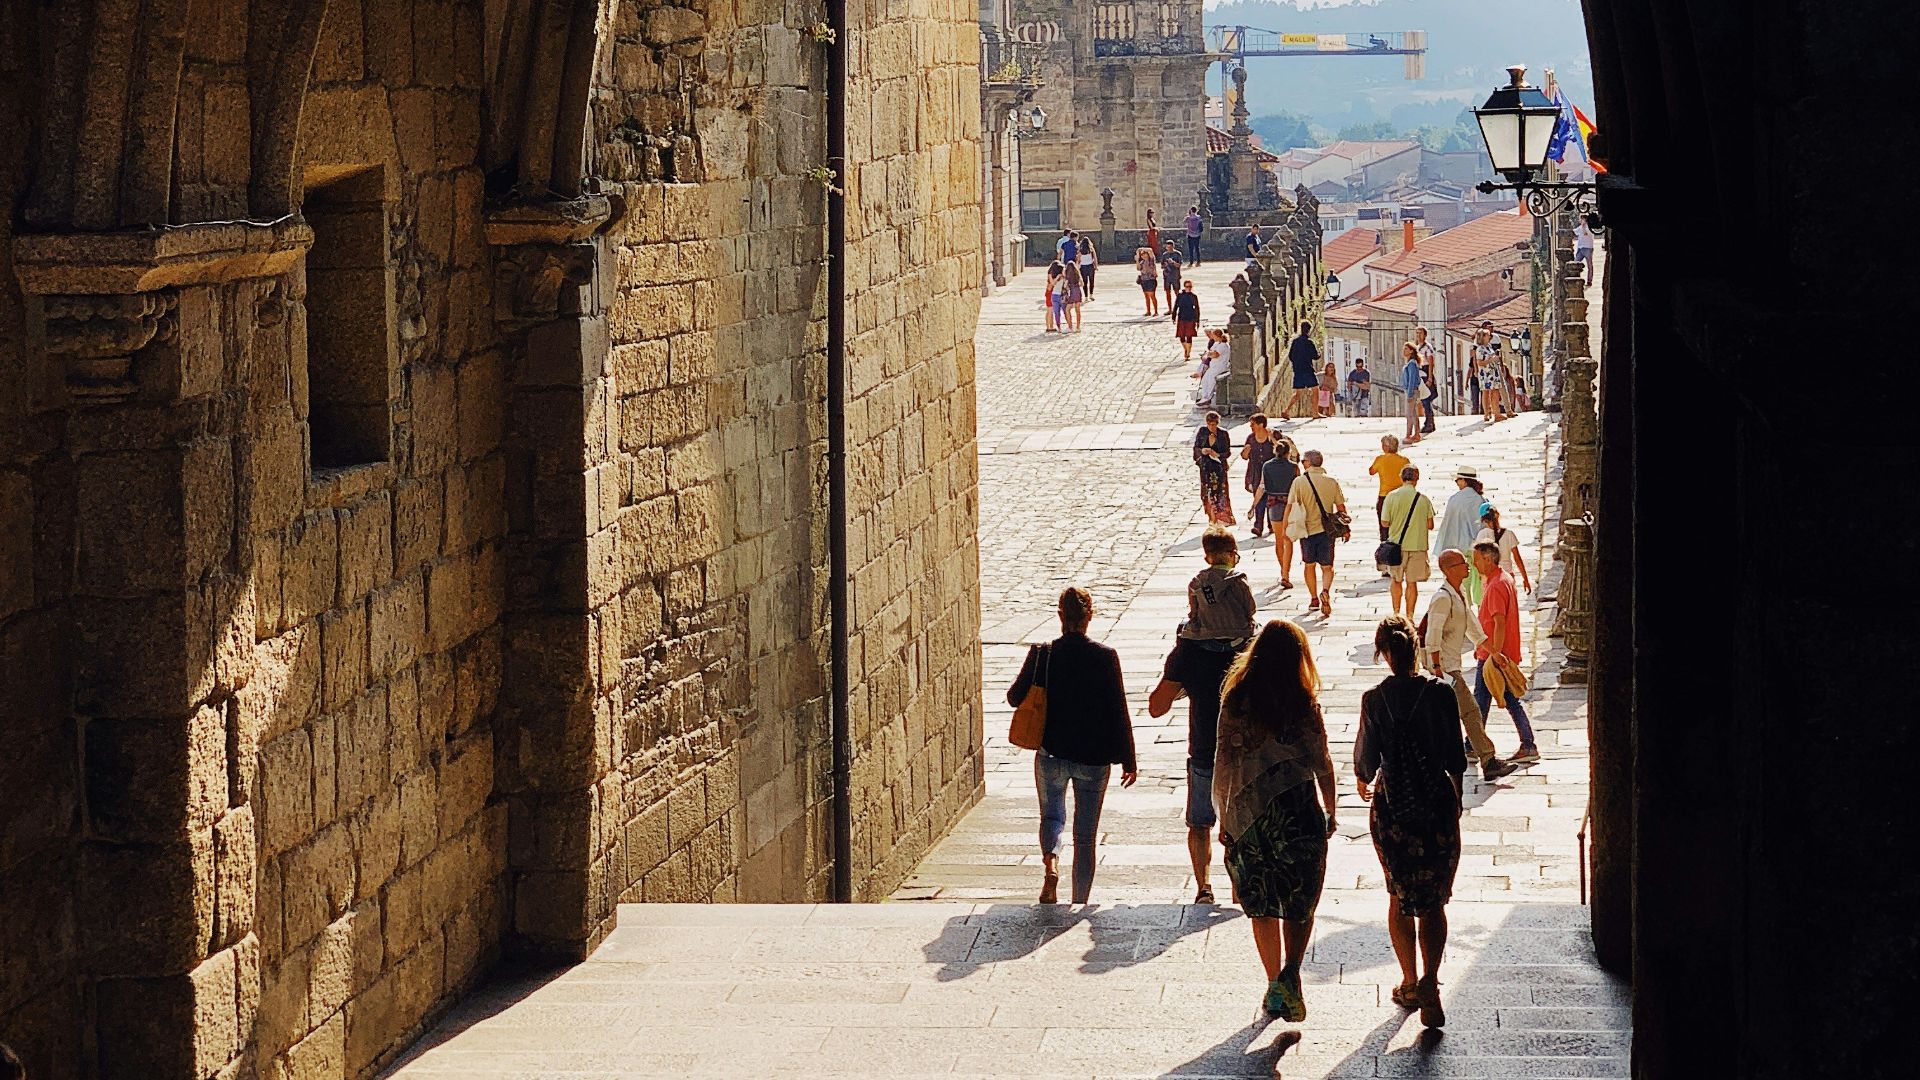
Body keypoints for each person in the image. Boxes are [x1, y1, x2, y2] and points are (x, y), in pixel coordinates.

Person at [1213, 619, 1338, 1020]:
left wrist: (1223, 817)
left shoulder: (1235, 701)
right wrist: (1332, 808)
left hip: (1250, 816)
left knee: (1262, 902)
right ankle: (1292, 972)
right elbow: (1322, 761)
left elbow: (1224, 763)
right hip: (1299, 813)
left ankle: (1274, 983)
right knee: (1301, 899)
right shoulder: (1304, 702)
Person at [1355, 616, 1468, 1029]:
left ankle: (1406, 980)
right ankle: (1431, 982)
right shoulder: (1440, 694)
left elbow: (1366, 763)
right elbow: (1456, 757)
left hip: (1393, 810)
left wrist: (1364, 779)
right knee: (1434, 899)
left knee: (1397, 893)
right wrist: (1452, 798)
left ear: (1383, 654)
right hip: (1435, 806)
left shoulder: (1375, 699)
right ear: (1416, 647)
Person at [1008, 587, 1139, 904]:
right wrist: (1129, 759)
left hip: (1051, 752)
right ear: (1089, 617)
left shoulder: (1043, 654)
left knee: (1052, 817)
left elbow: (1014, 697)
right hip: (1094, 759)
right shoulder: (1105, 657)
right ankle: (1079, 901)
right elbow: (1117, 709)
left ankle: (1051, 863)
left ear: (1060, 616)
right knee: (1085, 836)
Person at [1149, 629, 1237, 906]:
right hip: (1244, 754)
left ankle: (1204, 888)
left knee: (1200, 824)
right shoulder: (1251, 642)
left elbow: (1156, 707)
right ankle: (1240, 890)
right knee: (1241, 828)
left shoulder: (1189, 651)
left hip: (1204, 749)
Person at [1423, 548, 1518, 781]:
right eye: (1462, 564)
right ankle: (1487, 759)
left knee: (1455, 714)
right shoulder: (1443, 598)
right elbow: (1432, 636)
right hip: (1445, 668)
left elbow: (1474, 628)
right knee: (1470, 711)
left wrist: (1495, 653)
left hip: (1451, 665)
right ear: (1448, 570)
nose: (1468, 566)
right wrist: (1437, 669)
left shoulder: (1459, 593)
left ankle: (1483, 760)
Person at [1472, 541, 1538, 763]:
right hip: (1496, 653)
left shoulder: (1496, 586)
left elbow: (1499, 622)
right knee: (1488, 701)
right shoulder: (1504, 579)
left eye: (1477, 559)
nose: (1474, 563)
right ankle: (1472, 744)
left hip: (1493, 655)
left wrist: (1496, 653)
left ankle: (1527, 744)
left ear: (1488, 559)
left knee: (1487, 701)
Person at [1285, 449, 1345, 616]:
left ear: (1308, 463)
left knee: (1309, 565)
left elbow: (1290, 506)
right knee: (1327, 567)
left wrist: (1285, 529)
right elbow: (1341, 508)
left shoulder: (1299, 482)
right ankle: (1325, 590)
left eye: (1303, 460)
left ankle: (1313, 598)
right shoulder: (1331, 481)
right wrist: (1346, 529)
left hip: (1307, 530)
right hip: (1327, 531)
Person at [1179, 526, 1257, 646]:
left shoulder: (1197, 582)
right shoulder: (1239, 580)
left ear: (1207, 558)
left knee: (1182, 627)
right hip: (1239, 637)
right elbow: (1251, 609)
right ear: (1233, 554)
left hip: (1206, 638)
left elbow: (1193, 613)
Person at [1381, 466, 1434, 621]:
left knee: (1396, 580)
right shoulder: (1423, 499)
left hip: (1396, 546)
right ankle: (1410, 616)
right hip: (1417, 545)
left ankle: (1397, 614)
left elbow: (1385, 522)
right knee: (1412, 583)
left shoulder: (1391, 496)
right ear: (1416, 479)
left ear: (1401, 477)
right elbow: (1430, 525)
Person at [1255, 434, 1300, 590]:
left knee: (1279, 541)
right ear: (1288, 452)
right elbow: (1298, 487)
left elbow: (1262, 486)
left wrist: (1253, 506)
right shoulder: (1294, 467)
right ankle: (1286, 573)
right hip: (1290, 505)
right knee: (1288, 540)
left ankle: (1283, 571)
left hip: (1273, 504)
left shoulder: (1267, 466)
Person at [1435, 467, 1487, 599]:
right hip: (1477, 548)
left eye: (1458, 480)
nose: (1457, 483)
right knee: (1479, 583)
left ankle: (1466, 608)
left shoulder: (1454, 500)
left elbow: (1448, 525)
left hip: (1459, 548)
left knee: (1463, 585)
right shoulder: (1481, 500)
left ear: (1464, 480)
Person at [1368, 434, 1410, 576]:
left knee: (1384, 529)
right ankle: (1401, 560)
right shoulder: (1404, 460)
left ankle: (1386, 563)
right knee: (1400, 527)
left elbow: (1371, 471)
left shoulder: (1380, 459)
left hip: (1385, 496)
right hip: (1401, 497)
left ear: (1385, 447)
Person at [1475, 505, 1533, 596]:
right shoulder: (1509, 534)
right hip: (1508, 576)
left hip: (1489, 577)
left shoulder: (1482, 535)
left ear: (1484, 521)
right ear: (1498, 515)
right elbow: (1518, 559)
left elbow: (1478, 558)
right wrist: (1525, 579)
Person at [1193, 409, 1235, 524]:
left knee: (1221, 492)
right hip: (1206, 469)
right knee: (1208, 493)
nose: (1212, 427)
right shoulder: (1202, 432)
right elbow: (1196, 448)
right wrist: (1202, 451)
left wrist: (1218, 455)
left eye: (1214, 424)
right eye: (1209, 424)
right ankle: (1211, 517)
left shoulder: (1223, 434)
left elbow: (1227, 452)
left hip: (1219, 469)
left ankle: (1222, 518)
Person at [1240, 413, 1276, 537]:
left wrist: (1274, 440)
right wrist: (1246, 451)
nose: (1251, 426)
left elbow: (1281, 451)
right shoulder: (1250, 438)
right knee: (1259, 499)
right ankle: (1258, 526)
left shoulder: (1272, 435)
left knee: (1271, 499)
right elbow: (1244, 457)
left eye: (1253, 424)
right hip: (1256, 472)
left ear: (1261, 424)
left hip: (1271, 473)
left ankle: (1272, 524)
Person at [1282, 321, 1319, 420]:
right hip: (1307, 369)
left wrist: (1296, 364)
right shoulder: (1309, 342)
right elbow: (1315, 356)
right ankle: (1315, 412)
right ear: (1309, 330)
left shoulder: (1295, 341)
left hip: (1297, 370)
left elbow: (1290, 356)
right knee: (1315, 389)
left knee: (1298, 393)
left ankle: (1286, 410)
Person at [1193, 329, 1228, 407]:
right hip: (1213, 366)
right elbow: (1210, 352)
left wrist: (1208, 354)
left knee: (1211, 381)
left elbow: (1215, 354)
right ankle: (1204, 397)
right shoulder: (1216, 343)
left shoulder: (1223, 345)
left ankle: (1208, 398)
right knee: (1204, 380)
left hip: (1219, 366)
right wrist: (1209, 354)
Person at [1398, 342, 1425, 445]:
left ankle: (1409, 435)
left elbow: (1412, 380)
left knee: (1409, 414)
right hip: (1410, 390)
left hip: (1411, 391)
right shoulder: (1410, 363)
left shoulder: (1412, 364)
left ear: (1411, 351)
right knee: (1413, 413)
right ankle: (1416, 434)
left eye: (1406, 349)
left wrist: (1409, 394)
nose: (1404, 351)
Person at [1414, 328, 1439, 434]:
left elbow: (1430, 363)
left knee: (1426, 399)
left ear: (1425, 335)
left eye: (1421, 333)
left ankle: (1429, 423)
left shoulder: (1427, 347)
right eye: (1417, 333)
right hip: (1420, 373)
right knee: (1424, 400)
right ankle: (1429, 422)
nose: (1419, 335)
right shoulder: (1418, 347)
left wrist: (1430, 378)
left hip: (1425, 374)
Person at [1173, 279, 1201, 360]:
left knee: (1189, 336)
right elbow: (1176, 306)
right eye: (1187, 286)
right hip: (1181, 317)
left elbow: (1197, 308)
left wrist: (1197, 320)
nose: (1188, 288)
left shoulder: (1193, 296)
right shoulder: (1180, 296)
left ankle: (1188, 353)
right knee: (1181, 336)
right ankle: (1185, 348)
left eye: (1190, 286)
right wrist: (1173, 316)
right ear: (1184, 287)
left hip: (1190, 317)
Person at [1159, 241, 1183, 318]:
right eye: (1167, 247)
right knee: (1167, 292)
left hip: (1175, 276)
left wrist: (1173, 262)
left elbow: (1179, 265)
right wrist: (1165, 265)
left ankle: (1179, 308)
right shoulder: (1164, 255)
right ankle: (1170, 309)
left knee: (1177, 292)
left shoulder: (1177, 254)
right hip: (1167, 276)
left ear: (1173, 246)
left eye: (1170, 247)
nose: (1169, 249)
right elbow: (1161, 266)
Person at [1135, 246, 1160, 316]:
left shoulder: (1151, 260)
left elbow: (1151, 250)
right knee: (1146, 296)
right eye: (1142, 255)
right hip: (1144, 280)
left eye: (1144, 254)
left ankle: (1156, 311)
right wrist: (1137, 260)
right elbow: (1138, 268)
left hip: (1151, 279)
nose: (1143, 255)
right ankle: (1148, 311)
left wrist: (1141, 249)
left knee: (1152, 295)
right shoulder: (1142, 262)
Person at [1060, 260, 1085, 332]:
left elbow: (1065, 286)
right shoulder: (1077, 275)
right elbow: (1082, 284)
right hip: (1078, 291)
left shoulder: (1068, 276)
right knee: (1078, 310)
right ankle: (1078, 327)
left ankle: (1070, 326)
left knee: (1067, 309)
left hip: (1071, 292)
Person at [1044, 260, 1066, 333]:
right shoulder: (1050, 274)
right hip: (1050, 292)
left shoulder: (1058, 274)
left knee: (1052, 310)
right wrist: (1057, 277)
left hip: (1054, 292)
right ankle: (1048, 327)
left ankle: (1051, 326)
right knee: (1049, 310)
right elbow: (1052, 283)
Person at [1575, 220, 1596, 286]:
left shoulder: (1590, 227)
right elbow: (1575, 232)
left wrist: (1584, 227)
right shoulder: (1580, 227)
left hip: (1588, 248)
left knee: (1589, 266)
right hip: (1580, 248)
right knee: (1575, 263)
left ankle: (1589, 281)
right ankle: (1576, 279)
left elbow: (1586, 233)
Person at [1077, 234, 1098, 299]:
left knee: (1085, 282)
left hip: (1083, 267)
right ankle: (1091, 295)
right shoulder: (1091, 249)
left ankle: (1086, 296)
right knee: (1091, 281)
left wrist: (1078, 267)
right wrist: (1096, 266)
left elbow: (1078, 260)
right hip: (1090, 266)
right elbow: (1095, 258)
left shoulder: (1080, 250)